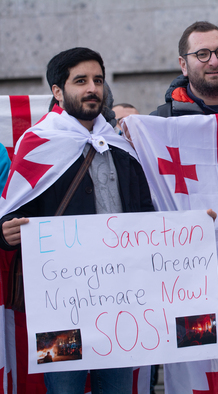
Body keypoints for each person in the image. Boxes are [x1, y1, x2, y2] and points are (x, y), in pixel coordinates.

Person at [0, 47, 155, 393]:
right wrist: (4, 231)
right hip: (59, 307)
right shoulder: (38, 144)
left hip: (121, 300)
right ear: (58, 91)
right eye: (81, 81)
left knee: (116, 387)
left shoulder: (120, 145)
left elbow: (147, 214)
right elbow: (11, 210)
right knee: (64, 388)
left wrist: (189, 230)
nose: (92, 89)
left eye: (98, 80)